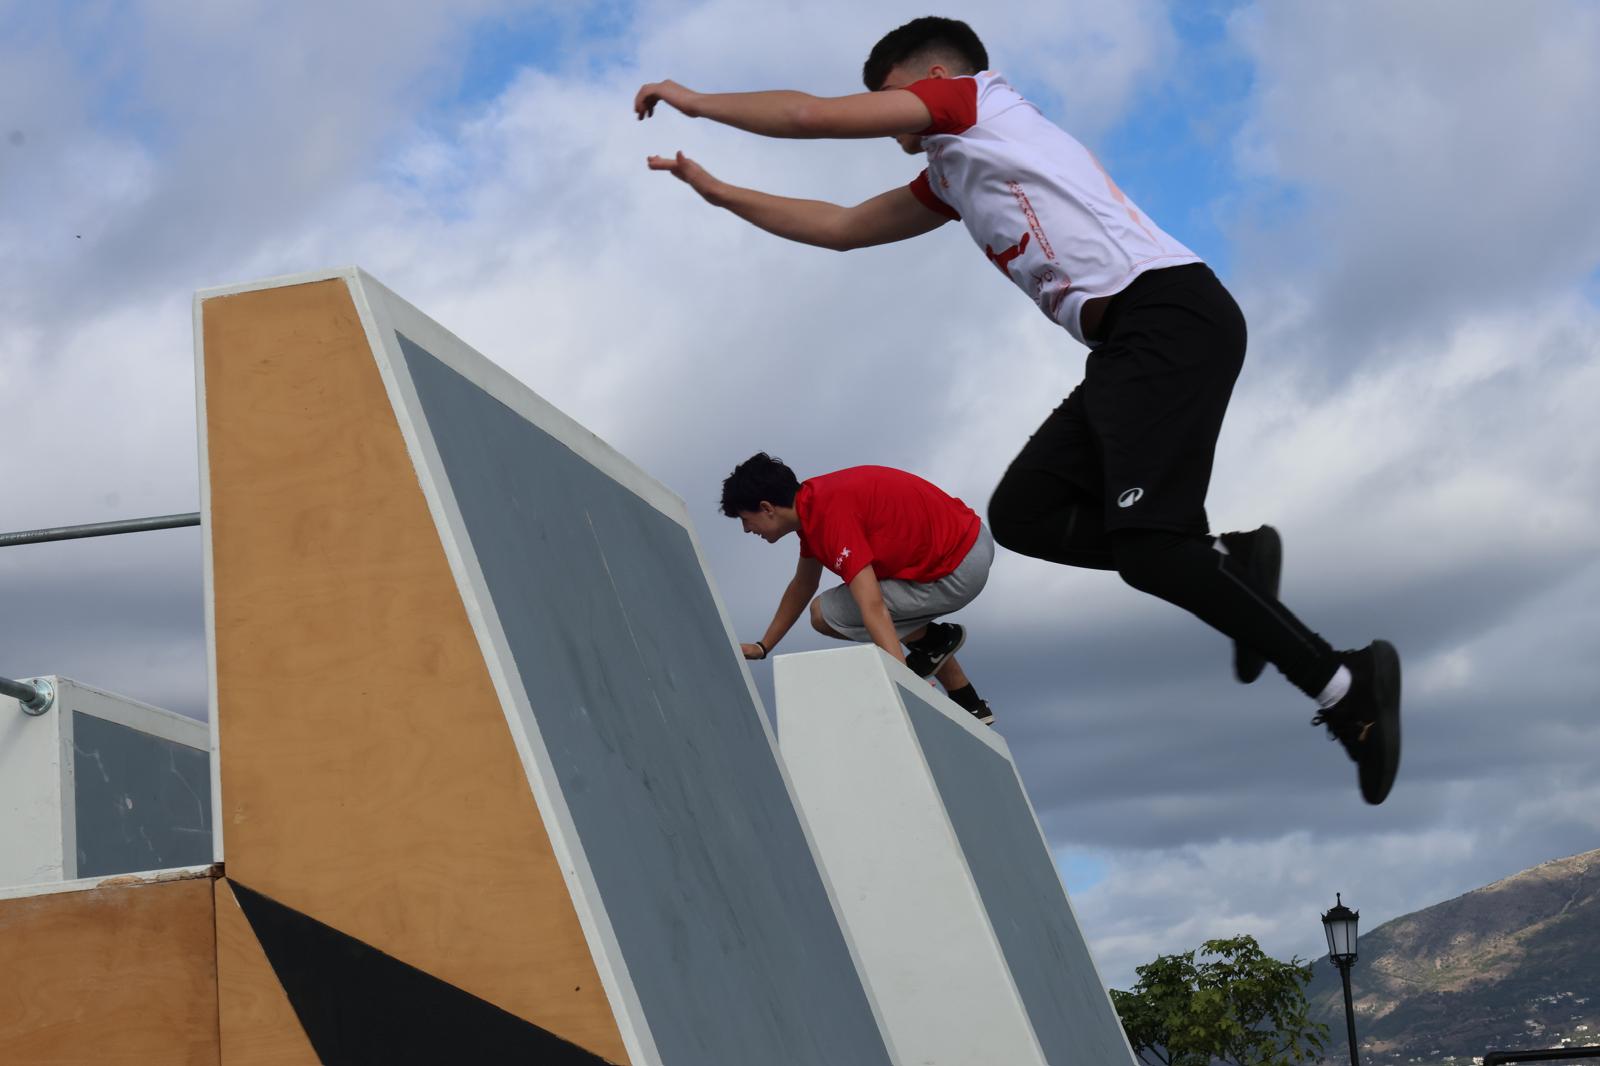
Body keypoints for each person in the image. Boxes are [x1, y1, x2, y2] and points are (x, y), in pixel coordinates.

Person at [638, 17, 1403, 803]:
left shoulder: (973, 103)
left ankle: (1346, 687)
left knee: (1148, 548)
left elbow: (808, 117)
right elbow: (839, 229)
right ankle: (1227, 562)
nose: (888, 121)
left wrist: (693, 100)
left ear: (934, 74)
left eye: (891, 96)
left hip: (1169, 318)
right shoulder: (954, 170)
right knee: (1026, 513)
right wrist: (720, 192)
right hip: (1127, 346)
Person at [722, 453, 996, 725]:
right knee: (898, 624)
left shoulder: (829, 516)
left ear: (767, 507)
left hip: (957, 570)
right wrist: (763, 645)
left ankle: (933, 643)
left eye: (746, 519)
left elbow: (873, 606)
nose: (747, 529)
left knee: (826, 614)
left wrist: (906, 688)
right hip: (970, 542)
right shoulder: (814, 501)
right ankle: (967, 699)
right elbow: (803, 584)